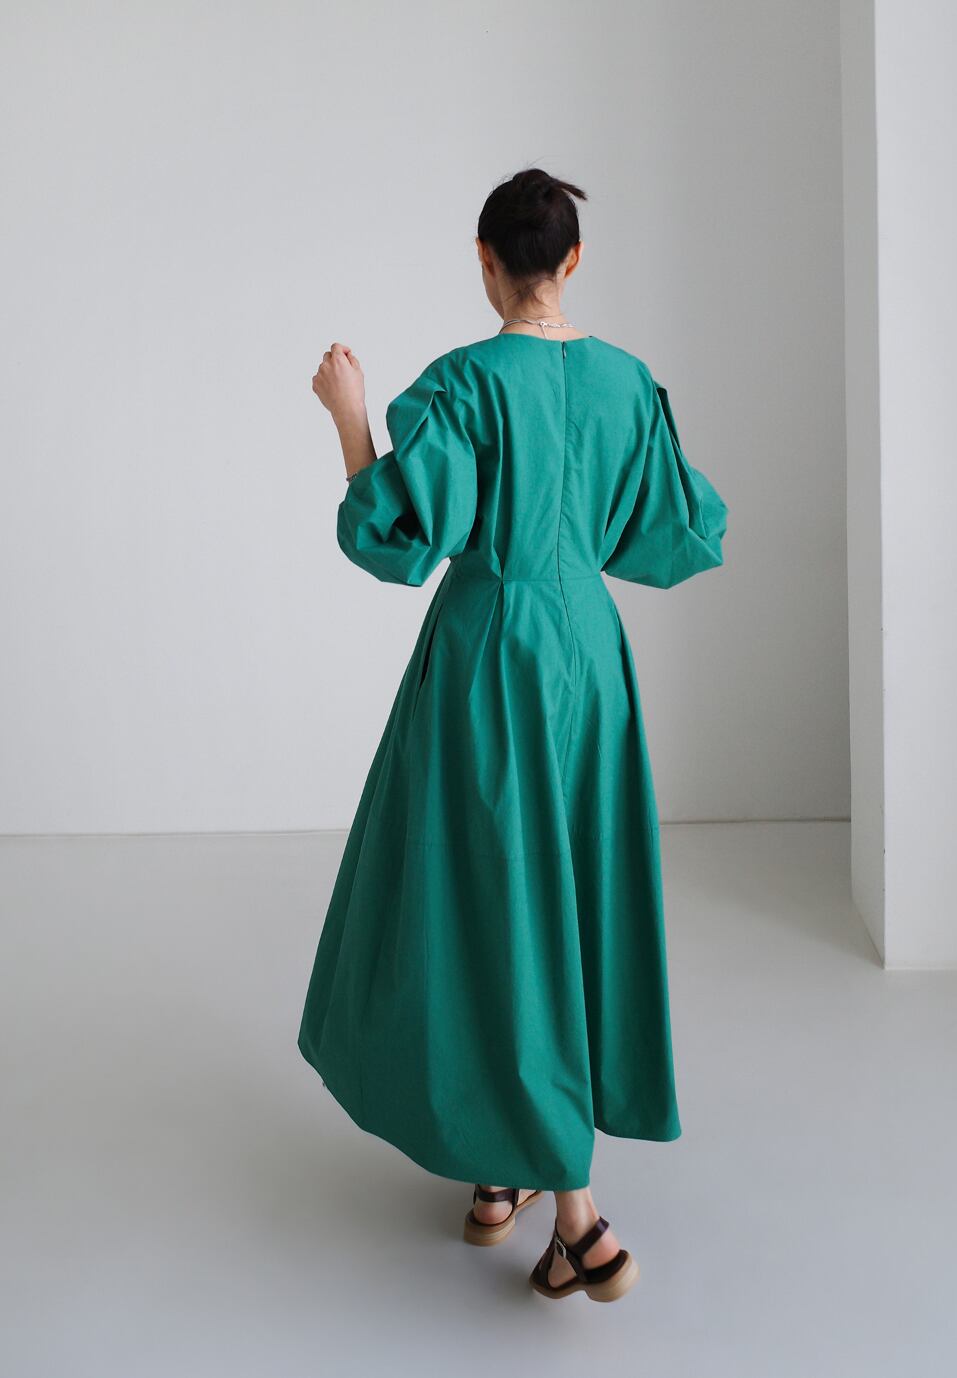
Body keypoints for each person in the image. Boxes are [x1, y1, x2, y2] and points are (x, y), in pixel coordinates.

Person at [298, 166, 729, 1304]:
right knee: (562, 900)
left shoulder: (464, 384)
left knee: (490, 906)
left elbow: (398, 536)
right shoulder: (626, 382)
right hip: (589, 653)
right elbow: (682, 529)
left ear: (485, 262)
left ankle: (568, 1204)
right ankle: (505, 1164)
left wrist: (350, 420)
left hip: (491, 656)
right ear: (573, 260)